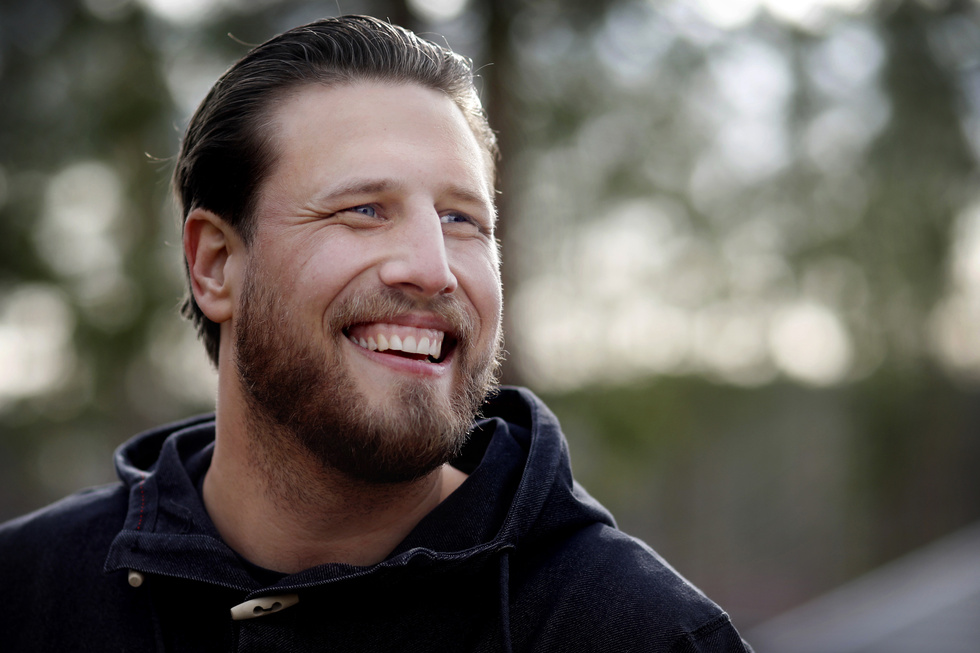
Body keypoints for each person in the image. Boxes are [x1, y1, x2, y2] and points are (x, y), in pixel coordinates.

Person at [0, 15, 752, 652]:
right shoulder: (27, 593)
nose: (433, 268)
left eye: (462, 219)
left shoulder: (644, 635)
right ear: (216, 265)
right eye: (363, 210)